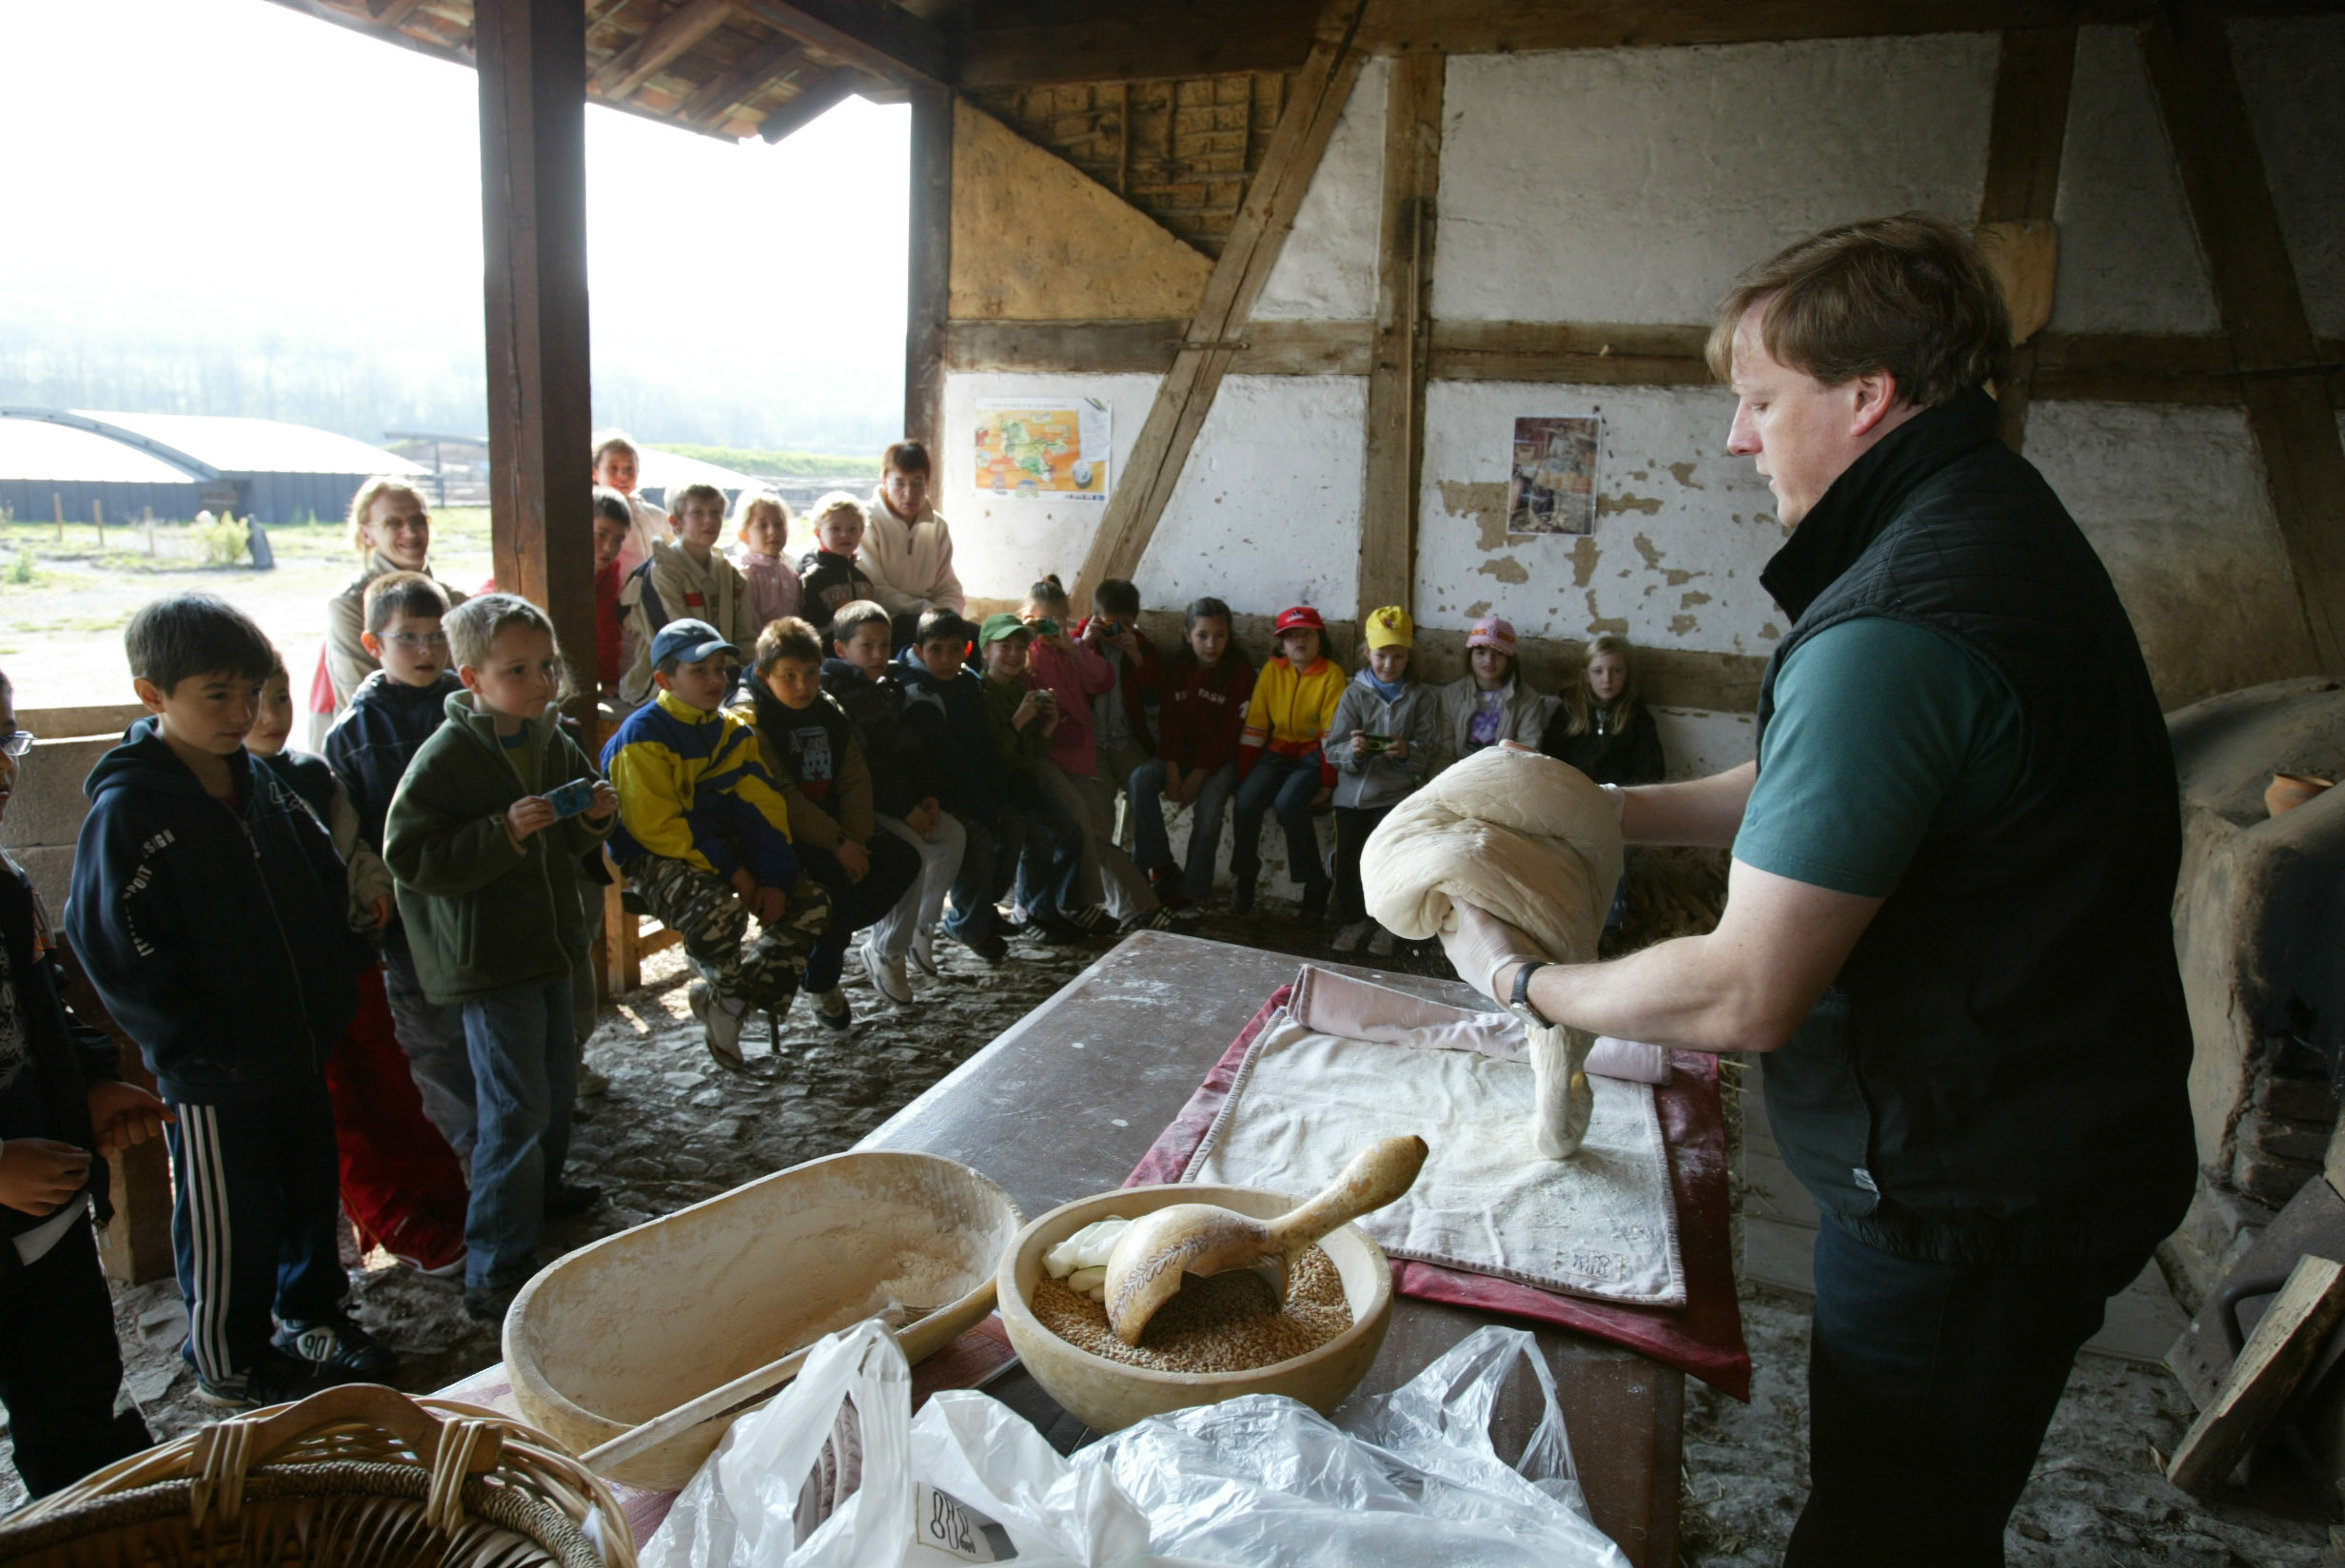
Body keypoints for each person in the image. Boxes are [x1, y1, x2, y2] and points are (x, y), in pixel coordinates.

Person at [1448, 214, 2195, 1561]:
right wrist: (1597, 811)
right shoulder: (1982, 523)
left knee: (1883, 1531)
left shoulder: (1901, 617)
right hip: (2058, 1131)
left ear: (1868, 396)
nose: (1737, 439)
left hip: (1970, 1185)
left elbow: (1745, 990)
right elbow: (1839, 789)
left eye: (1759, 400)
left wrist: (1524, 980)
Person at [67, 594, 387, 1407]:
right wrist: (191, 1041)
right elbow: (112, 939)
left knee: (308, 1190)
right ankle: (228, 1356)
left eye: (251, 693)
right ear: (153, 696)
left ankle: (312, 1314)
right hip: (213, 1072)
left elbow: (319, 878)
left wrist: (331, 985)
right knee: (227, 1215)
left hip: (295, 1042)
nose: (242, 713)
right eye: (217, 695)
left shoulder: (261, 784)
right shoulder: (132, 809)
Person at [382, 594, 617, 1323]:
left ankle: (539, 1196)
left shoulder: (550, 739)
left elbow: (573, 838)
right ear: (472, 678)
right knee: (513, 1105)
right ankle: (496, 1262)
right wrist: (501, 832)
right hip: (491, 959)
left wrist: (595, 819)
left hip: (548, 941)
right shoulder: (449, 757)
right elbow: (409, 855)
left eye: (546, 665)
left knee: (553, 1080)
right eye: (518, 669)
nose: (542, 681)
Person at [249, 650, 468, 1278]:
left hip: (347, 959)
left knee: (391, 1082)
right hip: (286, 985)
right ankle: (393, 1216)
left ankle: (444, 1199)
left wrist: (371, 889)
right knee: (334, 1105)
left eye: (282, 699)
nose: (269, 716)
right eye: (252, 702)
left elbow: (351, 847)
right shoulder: (220, 791)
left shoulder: (309, 775)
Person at [0, 668, 164, 1493]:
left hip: (45, 1221)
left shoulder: (3, 887)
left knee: (77, 1409)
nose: (4, 771)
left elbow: (44, 1015)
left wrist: (90, 1085)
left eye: (5, 740)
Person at [602, 619, 831, 1071]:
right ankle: (728, 999)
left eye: (720, 669)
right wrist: (740, 876)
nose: (715, 680)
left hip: (717, 847)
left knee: (810, 904)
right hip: (656, 853)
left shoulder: (730, 732)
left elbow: (762, 810)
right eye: (699, 671)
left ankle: (731, 1000)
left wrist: (774, 878)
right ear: (665, 681)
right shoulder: (643, 737)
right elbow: (660, 828)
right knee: (717, 910)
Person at [325, 574, 477, 1173]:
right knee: (436, 1042)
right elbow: (356, 835)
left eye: (436, 636)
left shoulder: (468, 702)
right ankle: (466, 1164)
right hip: (412, 918)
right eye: (406, 638)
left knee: (490, 1030)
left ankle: (516, 1159)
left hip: (478, 897)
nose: (425, 651)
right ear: (372, 644)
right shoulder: (355, 733)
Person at [737, 617, 920, 1032]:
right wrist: (839, 844)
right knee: (835, 892)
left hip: (836, 830)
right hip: (784, 836)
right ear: (765, 675)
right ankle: (820, 981)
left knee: (901, 861)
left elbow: (853, 776)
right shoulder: (754, 720)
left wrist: (855, 839)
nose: (802, 686)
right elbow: (782, 796)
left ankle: (823, 939)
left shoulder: (829, 711)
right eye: (789, 677)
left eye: (810, 674)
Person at [821, 600, 964, 1003]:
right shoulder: (837, 694)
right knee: (912, 850)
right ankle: (886, 949)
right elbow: (865, 766)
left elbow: (907, 750)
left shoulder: (886, 687)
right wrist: (906, 809)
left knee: (952, 835)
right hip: (860, 803)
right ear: (840, 650)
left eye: (885, 645)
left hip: (897, 797)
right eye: (867, 646)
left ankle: (922, 927)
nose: (879, 655)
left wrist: (928, 795)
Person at [1020, 578, 1172, 935]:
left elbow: (1107, 681)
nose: (1049, 629)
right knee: (1085, 829)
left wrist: (1093, 650)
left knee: (1098, 823)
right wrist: (1073, 642)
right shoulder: (1029, 652)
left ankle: (1142, 890)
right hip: (1055, 754)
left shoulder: (1073, 650)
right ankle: (1130, 904)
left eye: (1056, 621)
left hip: (1090, 751)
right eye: (1042, 621)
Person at [897, 609, 1015, 963]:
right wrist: (983, 806)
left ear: (966, 649)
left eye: (953, 650)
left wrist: (997, 798)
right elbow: (949, 760)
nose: (945, 659)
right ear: (919, 651)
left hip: (970, 788)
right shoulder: (917, 692)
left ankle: (981, 910)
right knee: (977, 835)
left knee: (1016, 826)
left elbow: (986, 747)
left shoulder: (967, 682)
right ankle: (970, 925)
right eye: (936, 650)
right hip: (935, 794)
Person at [1129, 597, 1253, 912]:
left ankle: (1193, 889)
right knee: (1141, 778)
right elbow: (1168, 721)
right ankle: (1161, 865)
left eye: (1220, 635)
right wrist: (1172, 769)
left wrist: (1197, 775)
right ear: (1187, 635)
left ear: (1229, 636)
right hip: (1177, 756)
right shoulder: (1177, 668)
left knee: (1210, 805)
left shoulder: (1240, 675)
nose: (1211, 644)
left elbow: (1230, 734)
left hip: (1219, 761)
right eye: (1202, 635)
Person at [969, 613, 1087, 944]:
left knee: (1070, 834)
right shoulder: (980, 692)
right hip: (1000, 787)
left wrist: (1046, 726)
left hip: (1023, 781)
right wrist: (1019, 722)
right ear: (986, 651)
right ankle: (1030, 911)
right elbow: (990, 756)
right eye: (1004, 646)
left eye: (1020, 647)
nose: (1013, 654)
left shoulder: (1019, 689)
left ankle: (1050, 907)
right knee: (1038, 840)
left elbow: (1030, 751)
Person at [1328, 606, 1438, 955]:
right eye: (1381, 656)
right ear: (1367, 653)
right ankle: (1354, 920)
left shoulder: (1421, 697)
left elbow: (1429, 748)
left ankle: (1390, 927)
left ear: (1409, 657)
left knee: (1393, 863)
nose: (1388, 664)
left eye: (1397, 656)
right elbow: (1333, 748)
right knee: (1349, 861)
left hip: (1397, 795)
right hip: (1353, 797)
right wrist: (1355, 750)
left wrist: (1407, 752)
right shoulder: (1353, 694)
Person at [1232, 605, 1344, 920]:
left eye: (1307, 634)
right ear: (1281, 644)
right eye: (1291, 636)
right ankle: (1245, 876)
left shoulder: (1331, 675)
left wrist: (1327, 783)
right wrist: (1245, 776)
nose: (1299, 642)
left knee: (1288, 803)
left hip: (1312, 756)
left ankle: (1315, 883)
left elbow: (1330, 736)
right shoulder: (1272, 671)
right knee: (1245, 802)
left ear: (1320, 639)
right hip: (1276, 751)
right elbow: (1255, 726)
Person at [323, 478, 469, 710]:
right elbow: (364, 702)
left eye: (418, 520)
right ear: (366, 534)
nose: (410, 533)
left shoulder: (457, 602)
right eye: (393, 523)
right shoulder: (349, 606)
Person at [618, 482, 760, 710]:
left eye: (715, 513)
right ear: (675, 522)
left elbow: (744, 636)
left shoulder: (728, 572)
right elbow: (678, 643)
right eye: (697, 513)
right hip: (673, 678)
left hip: (726, 672)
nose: (709, 520)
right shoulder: (662, 570)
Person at [1074, 577, 1164, 845]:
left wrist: (1137, 659)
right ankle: (1105, 862)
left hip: (1127, 741)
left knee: (1142, 793)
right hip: (1092, 742)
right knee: (1098, 805)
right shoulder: (1080, 642)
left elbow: (1155, 696)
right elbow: (1067, 683)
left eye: (1124, 625)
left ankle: (1140, 861)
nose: (1116, 631)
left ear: (1134, 622)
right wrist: (1086, 645)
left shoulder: (1143, 648)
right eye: (1109, 623)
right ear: (1095, 618)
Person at [859, 441, 966, 647]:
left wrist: (948, 615)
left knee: (974, 637)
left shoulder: (937, 526)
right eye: (899, 483)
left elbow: (948, 587)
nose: (909, 493)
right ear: (884, 480)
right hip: (886, 620)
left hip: (929, 618)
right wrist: (927, 610)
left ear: (928, 482)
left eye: (918, 483)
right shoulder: (865, 522)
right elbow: (873, 589)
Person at [1540, 635, 1664, 788]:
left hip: (1621, 799)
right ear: (1586, 676)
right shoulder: (1569, 711)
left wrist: (1622, 796)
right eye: (1598, 671)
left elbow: (1651, 772)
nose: (1607, 679)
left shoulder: (1638, 717)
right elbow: (1550, 761)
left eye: (1617, 671)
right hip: (1574, 794)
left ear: (1626, 674)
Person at [1431, 616, 1547, 770]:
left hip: (1504, 777)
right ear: (1470, 656)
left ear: (1510, 659)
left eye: (1499, 653)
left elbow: (1527, 755)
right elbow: (1444, 751)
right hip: (1457, 776)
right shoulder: (1451, 695)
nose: (1489, 660)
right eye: (1480, 652)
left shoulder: (1529, 701)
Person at [797, 493, 880, 643]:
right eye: (835, 529)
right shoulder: (814, 576)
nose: (844, 535)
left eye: (852, 529)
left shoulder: (862, 579)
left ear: (861, 532)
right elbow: (810, 624)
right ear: (818, 533)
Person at [591, 430, 664, 576]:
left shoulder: (657, 516)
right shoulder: (588, 513)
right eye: (613, 468)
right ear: (595, 472)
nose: (623, 476)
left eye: (629, 469)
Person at [731, 490, 802, 631]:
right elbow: (750, 624)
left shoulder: (788, 572)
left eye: (778, 524)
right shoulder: (745, 574)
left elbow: (796, 615)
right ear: (744, 535)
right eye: (762, 526)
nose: (772, 532)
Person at [592, 489, 634, 703]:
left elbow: (606, 628)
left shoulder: (608, 571)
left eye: (618, 539)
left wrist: (609, 679)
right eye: (601, 534)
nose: (609, 547)